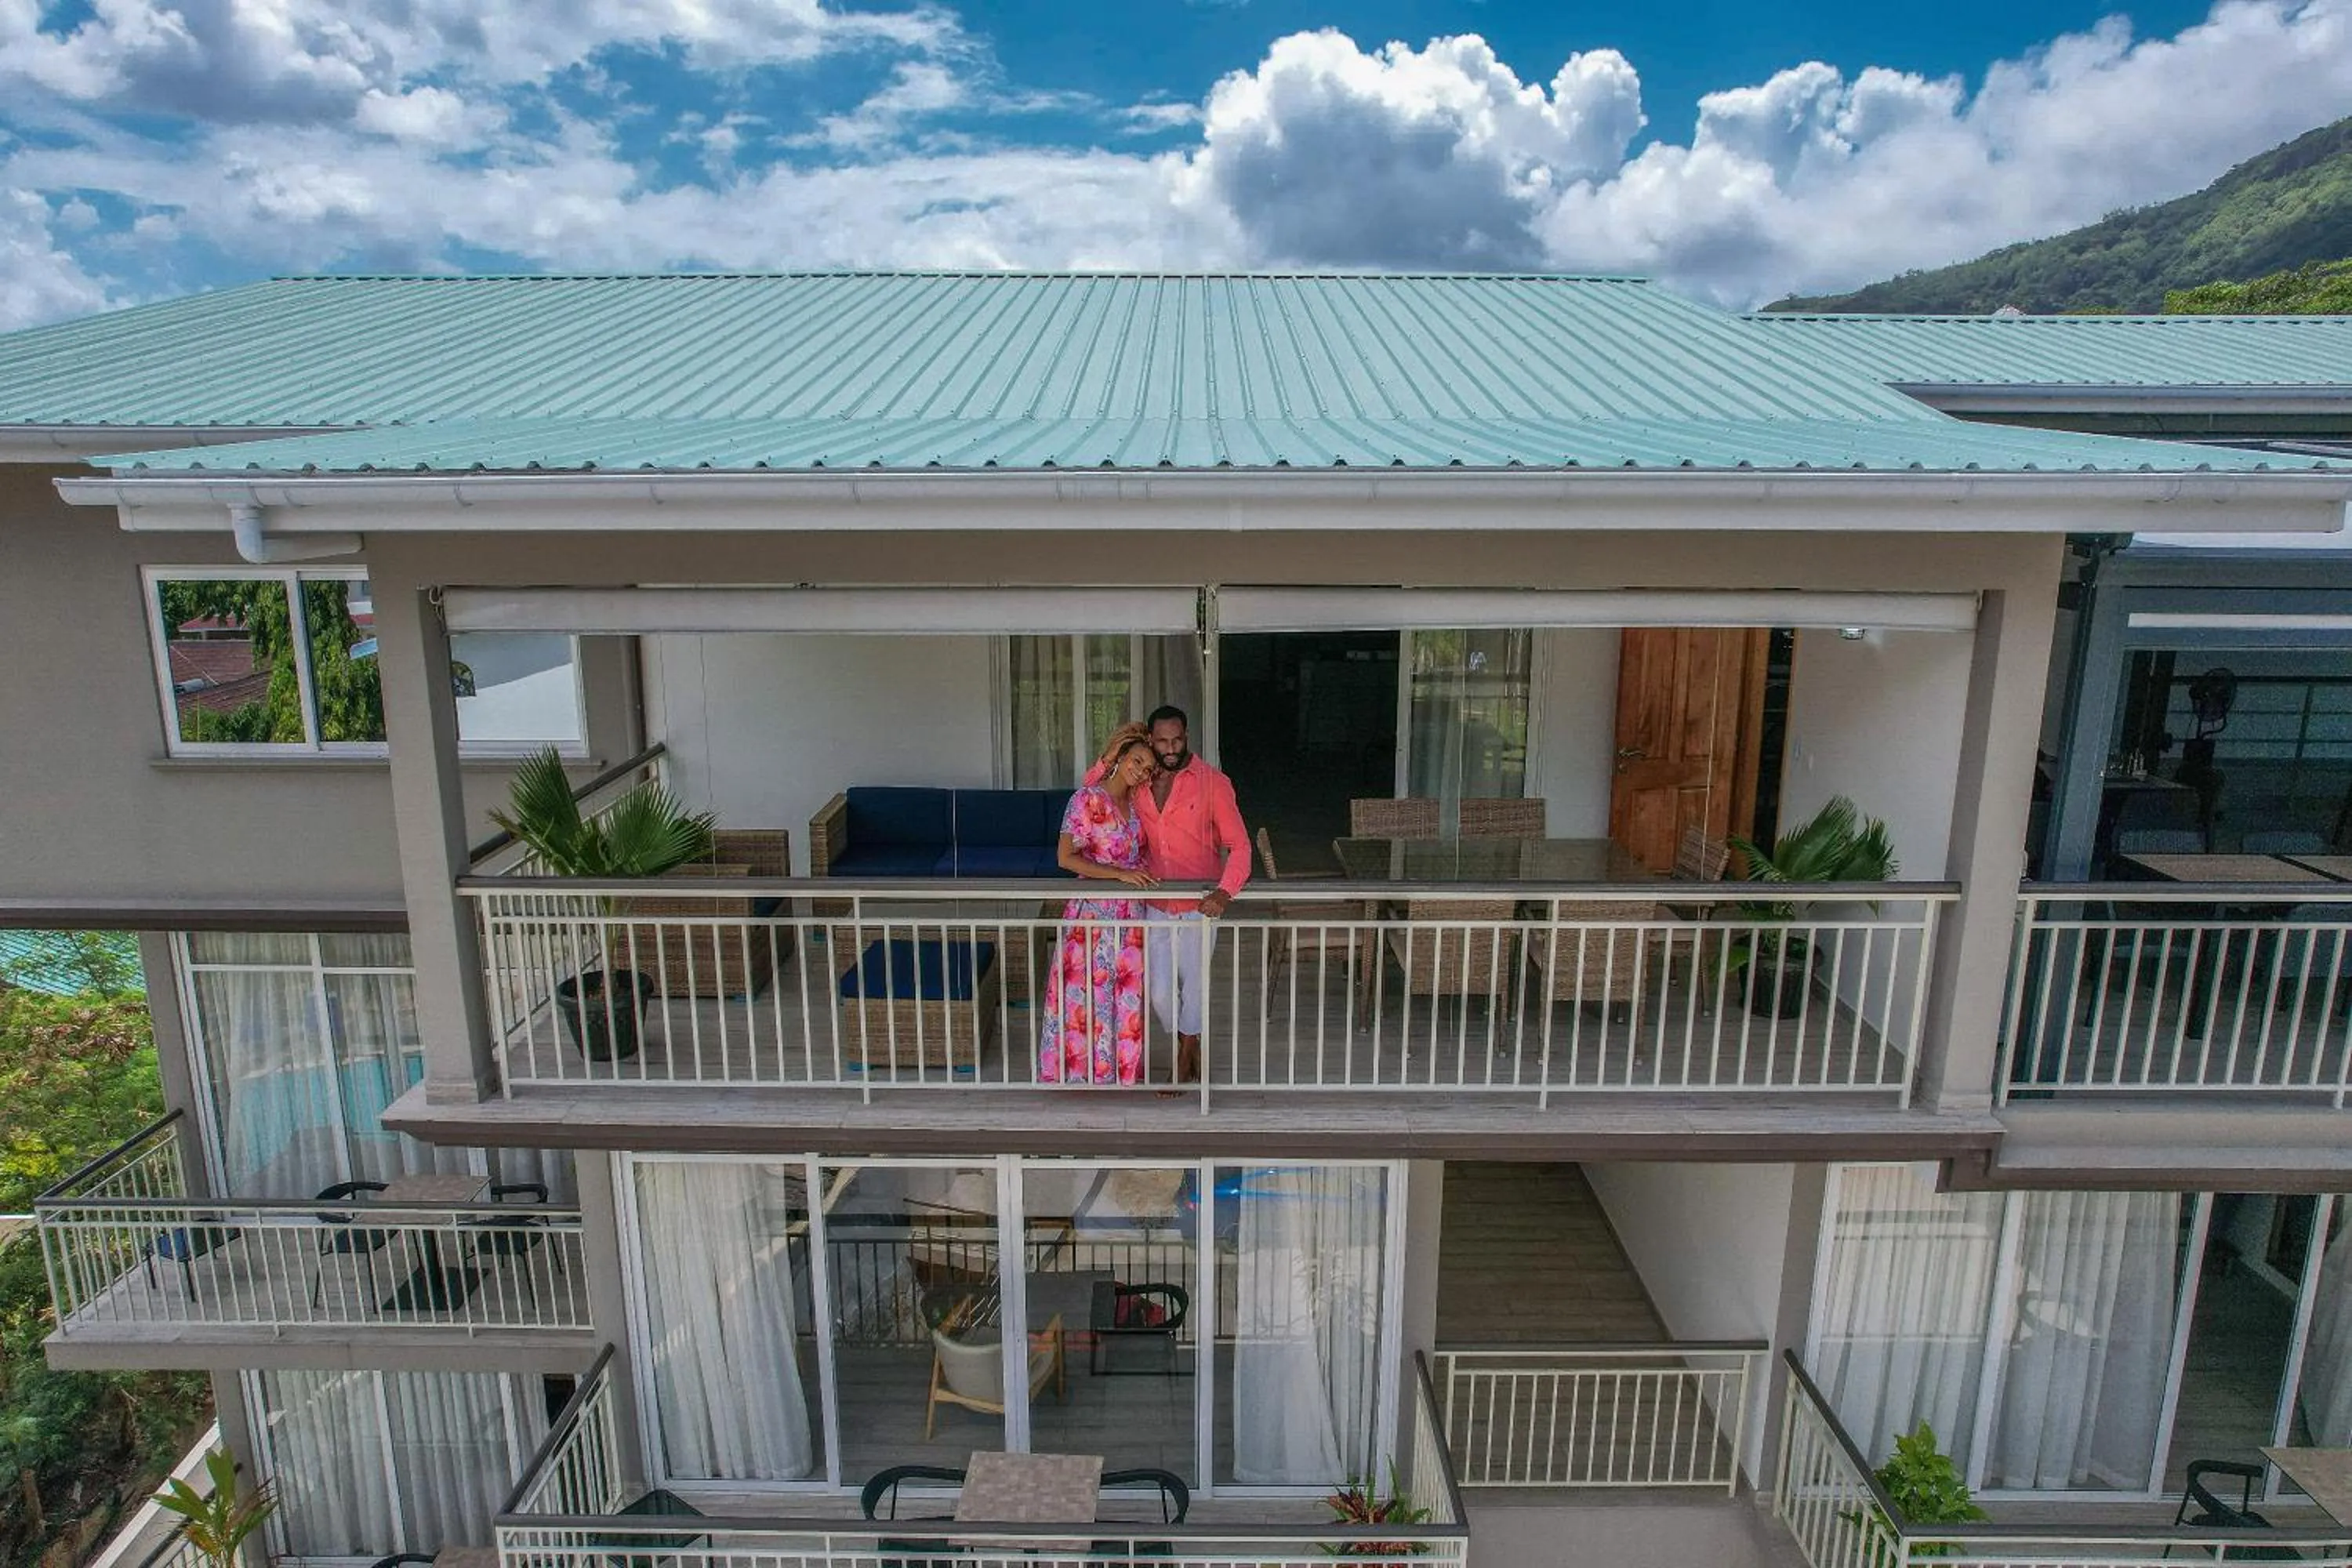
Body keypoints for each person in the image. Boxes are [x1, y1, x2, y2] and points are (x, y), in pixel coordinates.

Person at [1134, 703, 1251, 1084]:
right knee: (1160, 993)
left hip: (1200, 906)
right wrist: (1114, 753)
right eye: (1162, 740)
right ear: (1150, 740)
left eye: (1177, 739)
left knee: (1195, 986)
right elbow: (1092, 787)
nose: (1171, 748)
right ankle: (1189, 1040)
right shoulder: (1138, 782)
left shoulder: (1213, 782)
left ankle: (1183, 1056)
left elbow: (1241, 847)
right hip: (1155, 903)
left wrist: (1224, 892)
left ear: (1187, 737)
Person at [1039, 723, 1158, 1086]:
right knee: (1083, 993)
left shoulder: (1139, 804)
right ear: (1121, 758)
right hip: (1092, 912)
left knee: (1124, 994)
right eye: (1136, 760)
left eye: (1148, 768)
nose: (1141, 770)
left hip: (1130, 914)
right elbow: (1066, 858)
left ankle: (1115, 1071)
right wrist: (1116, 875)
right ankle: (1076, 1073)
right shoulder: (1087, 799)